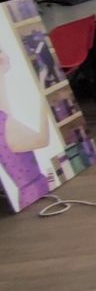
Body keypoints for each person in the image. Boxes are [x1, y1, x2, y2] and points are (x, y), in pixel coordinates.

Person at [0, 44, 52, 207]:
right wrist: (44, 94)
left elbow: (4, 99)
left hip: (32, 189)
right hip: (34, 191)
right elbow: (42, 140)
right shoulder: (4, 123)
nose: (7, 58)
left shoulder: (4, 115)